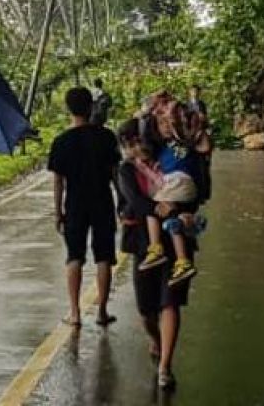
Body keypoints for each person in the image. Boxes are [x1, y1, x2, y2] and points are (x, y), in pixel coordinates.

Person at [117, 115, 205, 392]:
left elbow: (198, 186)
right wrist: (158, 208)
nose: (137, 146)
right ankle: (157, 340)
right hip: (143, 243)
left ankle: (165, 366)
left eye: (141, 140)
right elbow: (135, 202)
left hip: (177, 237)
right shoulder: (125, 169)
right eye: (131, 142)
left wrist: (187, 210)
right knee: (146, 310)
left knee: (171, 302)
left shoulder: (172, 154)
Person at [48, 86, 121, 328]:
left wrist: (58, 211)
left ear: (68, 109)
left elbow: (59, 181)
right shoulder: (107, 137)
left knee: (74, 257)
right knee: (104, 257)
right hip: (102, 201)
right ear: (91, 106)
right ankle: (101, 310)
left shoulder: (61, 142)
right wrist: (123, 202)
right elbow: (115, 175)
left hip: (75, 204)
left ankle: (75, 312)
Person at [133, 115, 201, 285]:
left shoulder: (183, 141)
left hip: (178, 181)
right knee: (172, 219)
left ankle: (156, 248)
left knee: (154, 208)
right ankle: (183, 260)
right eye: (162, 123)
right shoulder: (170, 145)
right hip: (186, 187)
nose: (168, 126)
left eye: (171, 122)